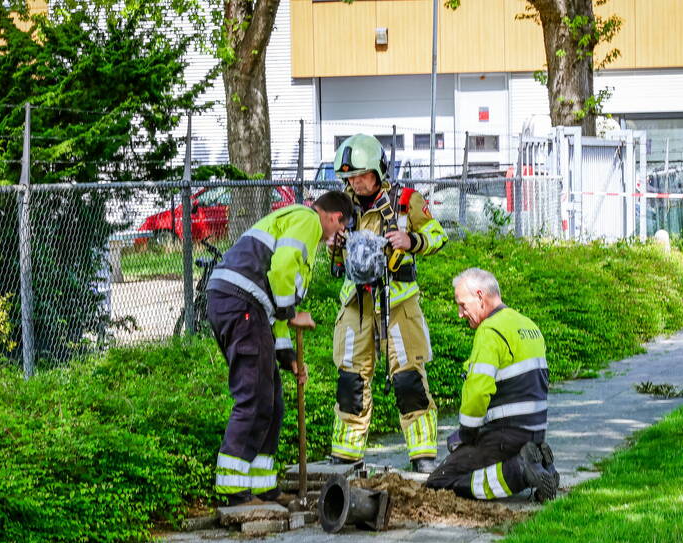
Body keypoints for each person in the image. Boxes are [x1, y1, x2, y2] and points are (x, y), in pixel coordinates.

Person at [207, 191, 353, 506]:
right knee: (255, 397)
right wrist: (291, 313)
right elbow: (282, 269)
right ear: (334, 217)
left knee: (272, 402)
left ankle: (263, 487)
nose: (336, 239)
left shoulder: (301, 225)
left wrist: (287, 357)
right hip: (240, 302)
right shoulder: (308, 220)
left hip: (247, 306)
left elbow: (277, 304)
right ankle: (232, 491)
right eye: (341, 230)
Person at [328, 134, 448, 473]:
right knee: (350, 379)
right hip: (357, 303)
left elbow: (439, 235)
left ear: (379, 171)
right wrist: (334, 242)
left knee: (408, 379)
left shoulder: (407, 201)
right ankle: (346, 455)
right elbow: (332, 254)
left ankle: (423, 455)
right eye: (350, 177)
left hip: (398, 304)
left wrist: (411, 240)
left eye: (362, 176)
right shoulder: (341, 205)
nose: (355, 183)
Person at [425, 268, 559, 502]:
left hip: (506, 434)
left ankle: (520, 472)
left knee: (439, 482)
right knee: (465, 456)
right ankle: (540, 466)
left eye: (462, 305)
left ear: (480, 296)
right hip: (535, 429)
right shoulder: (527, 324)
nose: (460, 313)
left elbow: (478, 392)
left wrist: (467, 433)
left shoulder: (490, 330)